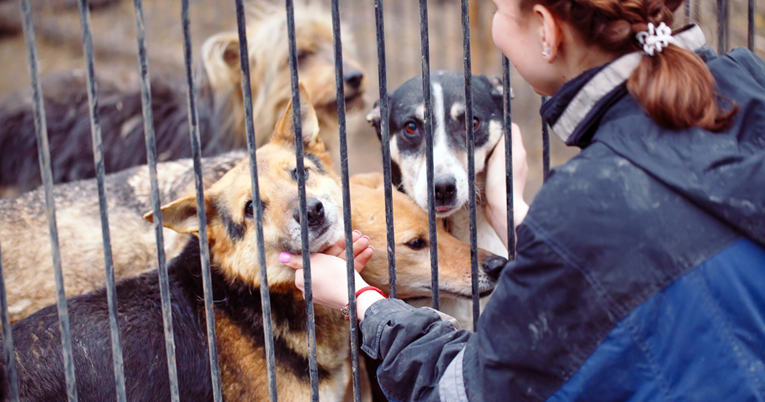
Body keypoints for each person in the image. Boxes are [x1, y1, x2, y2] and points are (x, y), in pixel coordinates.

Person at [280, 0, 765, 400]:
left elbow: (467, 391)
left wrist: (358, 299)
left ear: (547, 31)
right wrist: (508, 208)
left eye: (496, 10)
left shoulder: (583, 203)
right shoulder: (748, 81)